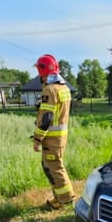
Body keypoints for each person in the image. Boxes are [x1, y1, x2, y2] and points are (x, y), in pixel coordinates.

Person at [32, 54, 75, 210]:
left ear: (43, 72)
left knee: (54, 168)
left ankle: (66, 200)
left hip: (51, 138)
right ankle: (60, 198)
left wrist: (37, 140)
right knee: (51, 166)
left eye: (39, 71)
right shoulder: (64, 88)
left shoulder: (49, 90)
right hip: (59, 138)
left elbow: (46, 118)